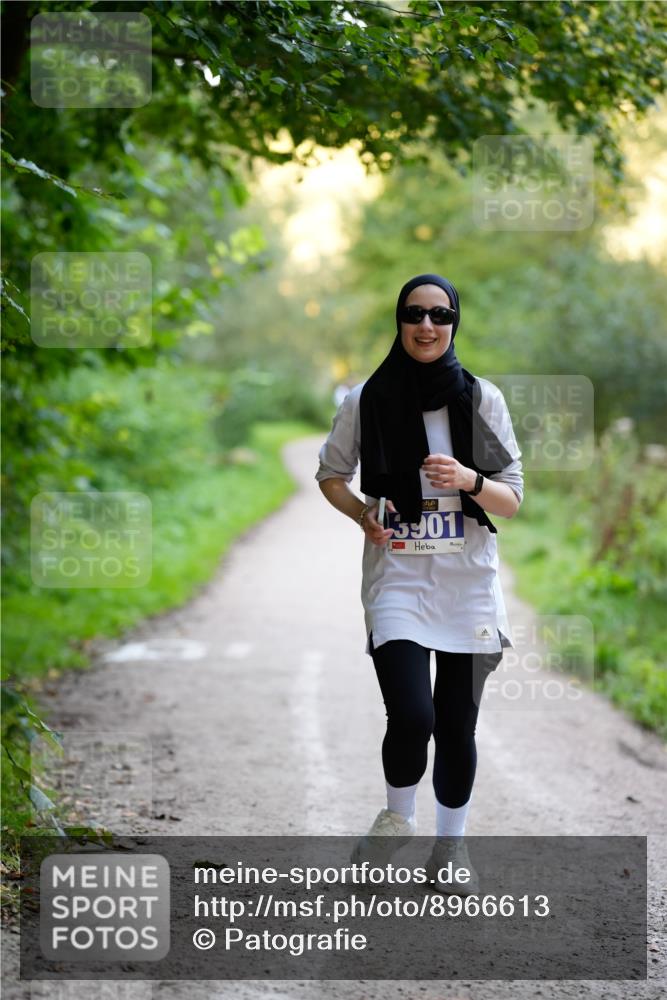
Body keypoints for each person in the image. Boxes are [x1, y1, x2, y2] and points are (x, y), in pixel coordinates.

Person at [315, 273, 524, 894]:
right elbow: (331, 475)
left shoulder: (483, 400)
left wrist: (467, 478)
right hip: (399, 580)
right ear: (399, 321)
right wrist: (362, 515)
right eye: (414, 314)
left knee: (457, 723)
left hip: (469, 585)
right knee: (411, 715)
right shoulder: (365, 400)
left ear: (455, 322)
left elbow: (511, 499)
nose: (426, 326)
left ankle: (450, 848)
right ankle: (396, 817)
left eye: (440, 315)